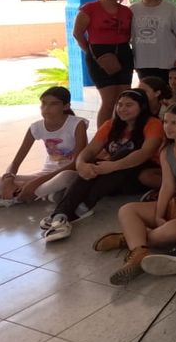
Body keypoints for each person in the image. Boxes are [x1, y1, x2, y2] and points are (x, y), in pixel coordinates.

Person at [96, 102, 176, 284]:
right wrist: (159, 215)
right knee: (127, 210)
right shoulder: (166, 151)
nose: (167, 127)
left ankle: (127, 239)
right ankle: (139, 254)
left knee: (162, 235)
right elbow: (167, 185)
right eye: (165, 122)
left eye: (174, 123)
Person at [42, 88, 164, 242]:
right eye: (120, 105)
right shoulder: (111, 125)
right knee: (93, 162)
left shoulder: (153, 124)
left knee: (124, 154)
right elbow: (90, 150)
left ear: (142, 106)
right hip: (113, 178)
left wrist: (113, 166)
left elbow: (145, 153)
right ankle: (61, 214)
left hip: (139, 175)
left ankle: (81, 207)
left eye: (129, 105)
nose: (122, 109)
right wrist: (81, 164)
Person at [0, 87, 89, 209]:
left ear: (66, 106)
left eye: (53, 104)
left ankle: (15, 198)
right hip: (45, 174)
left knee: (65, 177)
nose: (46, 108)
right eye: (43, 103)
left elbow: (75, 164)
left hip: (70, 173)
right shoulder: (36, 127)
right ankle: (45, 193)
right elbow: (15, 162)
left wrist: (35, 183)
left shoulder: (77, 124)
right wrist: (9, 181)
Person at [73, 0, 134, 126]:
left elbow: (129, 34)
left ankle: (120, 131)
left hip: (124, 53)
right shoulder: (90, 8)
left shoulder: (127, 11)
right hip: (99, 55)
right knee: (109, 100)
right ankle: (103, 136)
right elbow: (77, 33)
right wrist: (91, 52)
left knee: (124, 98)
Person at [130, 0, 176, 81]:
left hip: (166, 62)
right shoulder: (133, 9)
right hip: (142, 62)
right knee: (147, 90)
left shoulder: (169, 9)